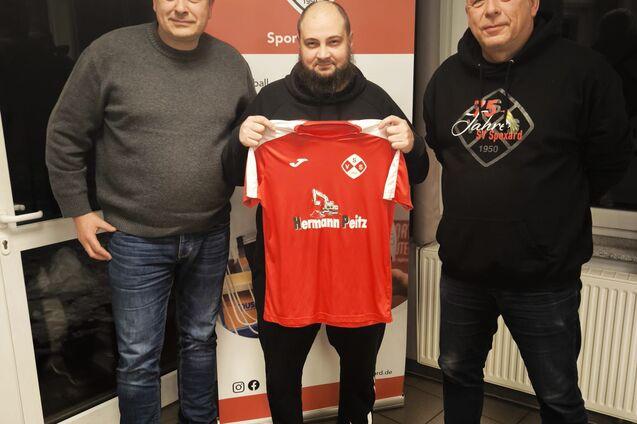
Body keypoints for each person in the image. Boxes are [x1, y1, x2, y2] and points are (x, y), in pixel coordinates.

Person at [422, 0, 633, 423]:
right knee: (457, 373)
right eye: (477, 0)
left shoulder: (584, 72)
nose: (490, 10)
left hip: (545, 277)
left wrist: (549, 210)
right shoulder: (446, 79)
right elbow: (448, 152)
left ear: (534, 3)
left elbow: (610, 161)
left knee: (557, 396)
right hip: (464, 273)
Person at [45, 0, 255, 422]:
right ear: (155, 2)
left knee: (200, 340)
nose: (181, 7)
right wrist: (79, 210)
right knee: (139, 357)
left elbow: (243, 144)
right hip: (134, 239)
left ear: (210, 6)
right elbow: (65, 135)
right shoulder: (109, 54)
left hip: (210, 233)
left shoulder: (231, 63)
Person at [222, 1, 428, 422]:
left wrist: (411, 144)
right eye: (312, 43)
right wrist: (240, 142)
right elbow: (231, 174)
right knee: (282, 376)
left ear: (351, 42)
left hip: (356, 272)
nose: (323, 53)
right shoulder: (270, 101)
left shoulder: (377, 102)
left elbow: (419, 171)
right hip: (285, 272)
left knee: (358, 376)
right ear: (298, 45)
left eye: (333, 42)